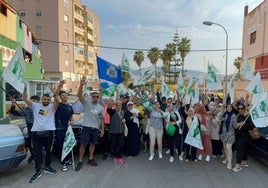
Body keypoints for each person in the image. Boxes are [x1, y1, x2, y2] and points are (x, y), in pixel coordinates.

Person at [23, 80, 65, 183]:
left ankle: (47, 167)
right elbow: (25, 99)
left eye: (47, 99)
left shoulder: (53, 107)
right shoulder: (35, 105)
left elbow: (57, 100)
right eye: (44, 99)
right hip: (36, 133)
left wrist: (59, 86)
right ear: (41, 99)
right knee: (37, 153)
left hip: (49, 132)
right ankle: (37, 171)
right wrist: (25, 88)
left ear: (50, 100)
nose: (46, 100)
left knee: (48, 151)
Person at [75, 76, 104, 171]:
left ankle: (90, 159)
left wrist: (102, 129)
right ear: (92, 97)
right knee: (83, 145)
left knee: (92, 144)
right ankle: (80, 161)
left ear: (99, 97)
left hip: (95, 128)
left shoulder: (100, 108)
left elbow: (102, 119)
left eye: (97, 96)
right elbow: (79, 95)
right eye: (94, 96)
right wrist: (81, 85)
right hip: (86, 127)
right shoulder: (87, 103)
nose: (95, 98)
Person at [10, 95, 40, 163]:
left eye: (35, 102)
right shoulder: (25, 110)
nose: (33, 103)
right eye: (32, 101)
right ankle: (33, 155)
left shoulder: (40, 109)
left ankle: (39, 158)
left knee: (39, 145)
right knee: (29, 143)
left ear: (38, 103)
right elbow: (13, 112)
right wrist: (13, 103)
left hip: (39, 129)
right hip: (30, 128)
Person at [54, 90, 74, 172]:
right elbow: (55, 97)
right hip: (59, 129)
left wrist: (71, 120)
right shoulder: (58, 105)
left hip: (67, 129)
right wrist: (58, 88)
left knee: (68, 144)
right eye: (63, 95)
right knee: (61, 147)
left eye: (66, 95)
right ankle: (62, 163)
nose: (65, 96)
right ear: (60, 97)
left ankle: (67, 160)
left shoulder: (69, 106)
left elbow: (71, 116)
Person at [232, 104, 255, 172]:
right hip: (238, 135)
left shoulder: (248, 116)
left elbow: (252, 126)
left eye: (242, 108)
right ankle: (244, 162)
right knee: (243, 149)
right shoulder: (239, 115)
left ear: (244, 109)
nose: (240, 110)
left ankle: (238, 165)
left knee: (239, 149)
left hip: (244, 136)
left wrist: (244, 125)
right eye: (239, 108)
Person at [219, 104, 236, 170]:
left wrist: (239, 124)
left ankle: (229, 162)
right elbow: (221, 122)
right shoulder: (224, 114)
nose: (229, 108)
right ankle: (226, 158)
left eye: (230, 107)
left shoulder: (234, 116)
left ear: (232, 108)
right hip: (223, 133)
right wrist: (219, 122)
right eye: (228, 107)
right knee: (225, 147)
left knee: (228, 147)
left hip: (231, 134)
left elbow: (235, 126)